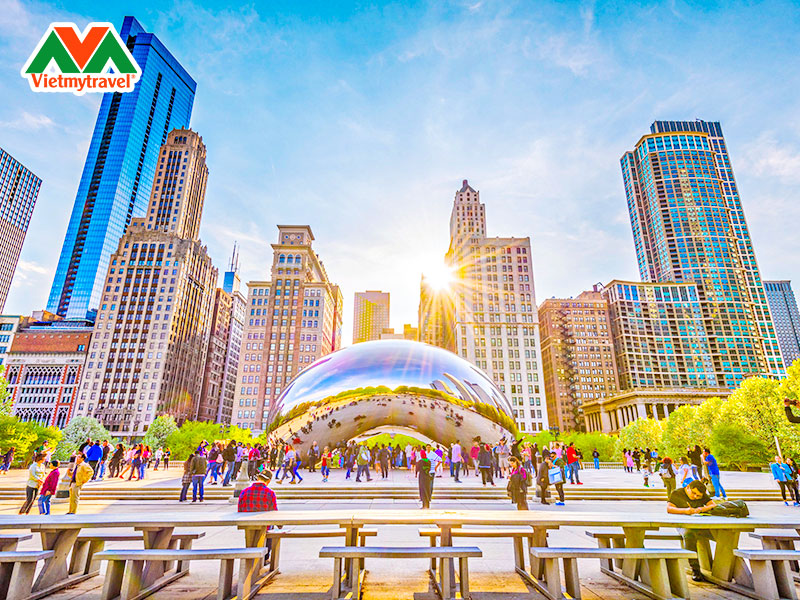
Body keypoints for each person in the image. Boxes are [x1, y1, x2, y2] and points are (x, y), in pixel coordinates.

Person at [666, 479, 716, 581]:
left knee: (722, 534)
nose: (695, 497)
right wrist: (685, 511)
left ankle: (722, 567)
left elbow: (713, 505)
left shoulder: (701, 494)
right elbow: (669, 509)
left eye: (698, 496)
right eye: (693, 493)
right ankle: (695, 568)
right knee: (689, 534)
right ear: (687, 487)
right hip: (682, 524)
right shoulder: (677, 493)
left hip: (700, 524)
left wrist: (701, 509)